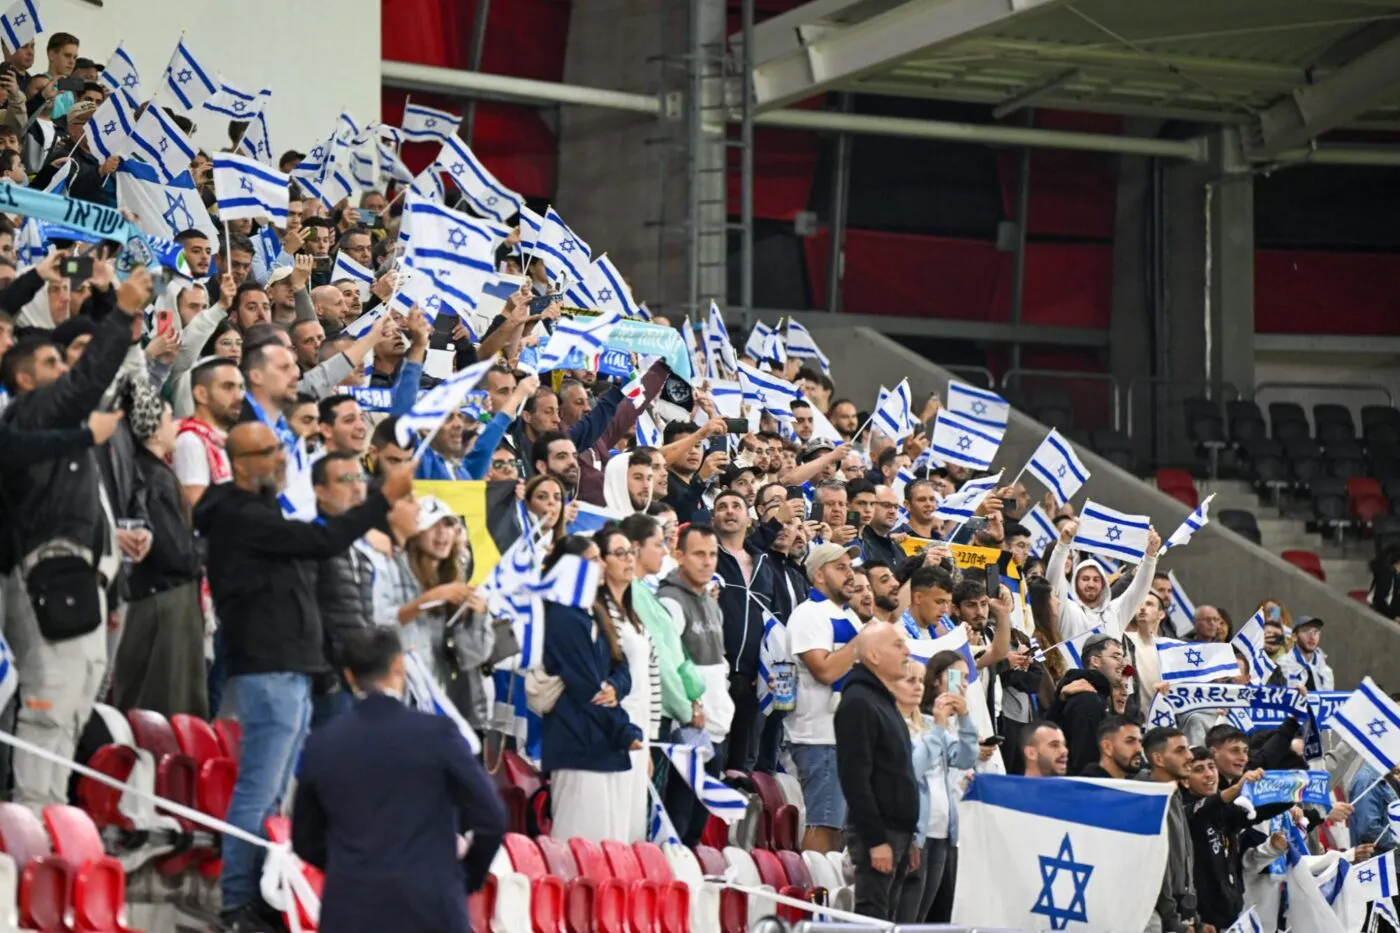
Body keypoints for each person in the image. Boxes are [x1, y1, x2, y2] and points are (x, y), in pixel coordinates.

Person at [194, 421, 414, 931]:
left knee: (272, 794)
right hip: (268, 665)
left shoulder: (258, 511)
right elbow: (324, 540)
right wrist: (381, 499)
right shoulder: (240, 515)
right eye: (270, 452)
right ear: (243, 462)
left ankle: (260, 894)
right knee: (258, 789)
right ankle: (236, 902)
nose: (279, 459)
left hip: (291, 666)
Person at [0, 263, 150, 812]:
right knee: (50, 705)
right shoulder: (32, 411)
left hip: (81, 577)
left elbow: (102, 381)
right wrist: (124, 309)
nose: (63, 369)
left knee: (76, 703)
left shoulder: (60, 424)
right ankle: (31, 832)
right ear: (22, 378)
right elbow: (88, 380)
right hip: (47, 572)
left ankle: (52, 820)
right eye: (50, 361)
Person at [291, 627, 506, 933]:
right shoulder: (438, 734)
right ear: (398, 665)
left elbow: (305, 839)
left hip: (351, 910)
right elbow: (492, 818)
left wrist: (351, 870)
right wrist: (463, 877)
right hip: (431, 905)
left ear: (349, 676)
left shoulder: (321, 744)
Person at [111, 390, 208, 718]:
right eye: (169, 419)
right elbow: (175, 553)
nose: (175, 427)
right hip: (164, 603)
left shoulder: (147, 471)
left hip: (160, 598)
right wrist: (208, 545)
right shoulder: (153, 477)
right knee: (163, 704)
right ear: (153, 427)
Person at [541, 536, 643, 843]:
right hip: (578, 742)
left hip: (604, 742)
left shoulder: (592, 610)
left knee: (608, 845)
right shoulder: (562, 617)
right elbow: (585, 686)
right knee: (579, 846)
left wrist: (615, 685)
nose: (601, 565)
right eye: (593, 559)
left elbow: (620, 664)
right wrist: (624, 730)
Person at [833, 621, 916, 922]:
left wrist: (909, 836)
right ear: (874, 656)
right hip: (878, 835)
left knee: (888, 922)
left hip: (897, 833)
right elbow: (854, 779)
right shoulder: (858, 702)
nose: (907, 651)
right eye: (898, 645)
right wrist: (875, 840)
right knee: (872, 920)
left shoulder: (881, 701)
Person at [656, 523, 733, 844]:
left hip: (714, 728)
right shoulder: (670, 601)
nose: (707, 562)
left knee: (696, 826)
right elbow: (666, 665)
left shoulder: (712, 603)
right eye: (699, 554)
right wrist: (687, 710)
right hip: (685, 728)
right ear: (679, 556)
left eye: (712, 554)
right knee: (678, 822)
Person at [787, 541, 863, 853]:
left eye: (850, 567)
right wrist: (862, 643)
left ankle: (827, 891)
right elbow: (825, 671)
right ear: (819, 575)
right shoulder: (809, 614)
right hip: (819, 737)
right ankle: (813, 891)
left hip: (844, 736)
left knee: (840, 828)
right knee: (824, 824)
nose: (850, 575)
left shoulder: (848, 615)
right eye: (840, 567)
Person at [896, 652, 978, 923]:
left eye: (920, 680)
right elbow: (913, 769)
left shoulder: (929, 724)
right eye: (910, 681)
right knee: (906, 917)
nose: (918, 686)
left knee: (923, 919)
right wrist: (940, 728)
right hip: (916, 833)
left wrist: (965, 719)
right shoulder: (895, 726)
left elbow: (965, 757)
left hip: (942, 831)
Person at [594, 526, 658, 842]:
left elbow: (652, 679)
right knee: (612, 824)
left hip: (640, 730)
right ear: (601, 562)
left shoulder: (633, 616)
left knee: (633, 825)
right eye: (619, 554)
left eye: (630, 552)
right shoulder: (598, 613)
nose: (629, 560)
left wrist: (650, 742)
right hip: (615, 728)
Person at [1141, 726, 1197, 933]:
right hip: (1155, 920)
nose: (1190, 756)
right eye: (1180, 750)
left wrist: (1194, 918)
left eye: (1188, 749)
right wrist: (1172, 919)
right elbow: (1157, 867)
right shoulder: (1148, 799)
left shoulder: (1173, 794)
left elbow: (1183, 860)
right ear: (1158, 759)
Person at [1048, 633, 1126, 775]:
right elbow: (1086, 761)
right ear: (1095, 661)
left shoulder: (1096, 696)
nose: (1123, 663)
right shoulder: (1088, 700)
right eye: (1116, 657)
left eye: (1122, 657)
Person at [1279, 616, 1333, 690]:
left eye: (1315, 632)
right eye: (1306, 631)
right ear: (1294, 636)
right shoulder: (1282, 665)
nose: (1312, 637)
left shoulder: (1325, 670)